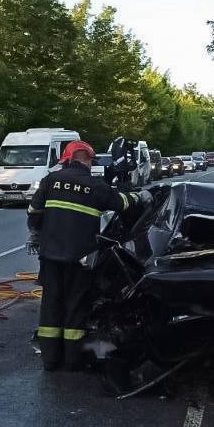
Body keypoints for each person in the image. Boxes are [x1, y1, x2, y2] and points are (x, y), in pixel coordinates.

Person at [26, 140, 151, 371]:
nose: (92, 164)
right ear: (86, 159)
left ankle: (50, 360)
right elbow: (121, 203)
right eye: (91, 160)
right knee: (75, 308)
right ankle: (72, 361)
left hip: (50, 257)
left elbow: (34, 212)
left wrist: (36, 233)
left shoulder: (50, 181)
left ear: (67, 159)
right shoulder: (95, 186)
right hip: (80, 260)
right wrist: (140, 197)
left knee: (51, 306)